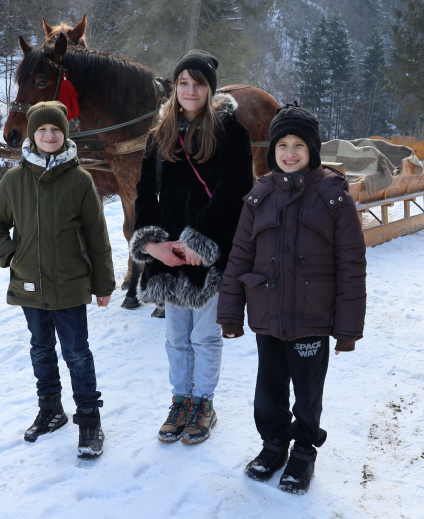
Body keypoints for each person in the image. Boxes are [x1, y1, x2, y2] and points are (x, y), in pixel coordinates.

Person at [216, 103, 367, 494]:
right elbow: (239, 256)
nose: (289, 152)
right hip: (268, 316)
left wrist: (347, 329)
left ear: (313, 150)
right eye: (282, 144)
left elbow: (351, 265)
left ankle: (302, 452)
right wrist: (230, 314)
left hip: (312, 320)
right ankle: (273, 445)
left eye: (299, 144)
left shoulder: (334, 198)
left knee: (307, 393)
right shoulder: (259, 195)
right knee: (268, 391)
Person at [129, 50, 254, 444]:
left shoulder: (232, 133)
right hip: (168, 252)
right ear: (175, 86)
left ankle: (203, 403)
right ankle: (180, 400)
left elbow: (235, 192)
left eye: (198, 83)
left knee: (204, 336)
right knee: (175, 338)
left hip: (209, 250)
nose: (190, 90)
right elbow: (145, 192)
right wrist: (152, 244)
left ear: (210, 89)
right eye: (183, 82)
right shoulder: (159, 133)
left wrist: (198, 239)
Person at [0, 101, 116, 459]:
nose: (49, 135)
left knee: (77, 354)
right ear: (32, 135)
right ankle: (51, 410)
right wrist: (10, 253)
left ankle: (89, 421)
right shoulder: (14, 180)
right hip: (29, 283)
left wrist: (103, 284)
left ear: (64, 134)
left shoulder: (80, 180)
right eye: (42, 130)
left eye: (55, 130)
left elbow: (97, 236)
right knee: (41, 349)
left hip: (71, 284)